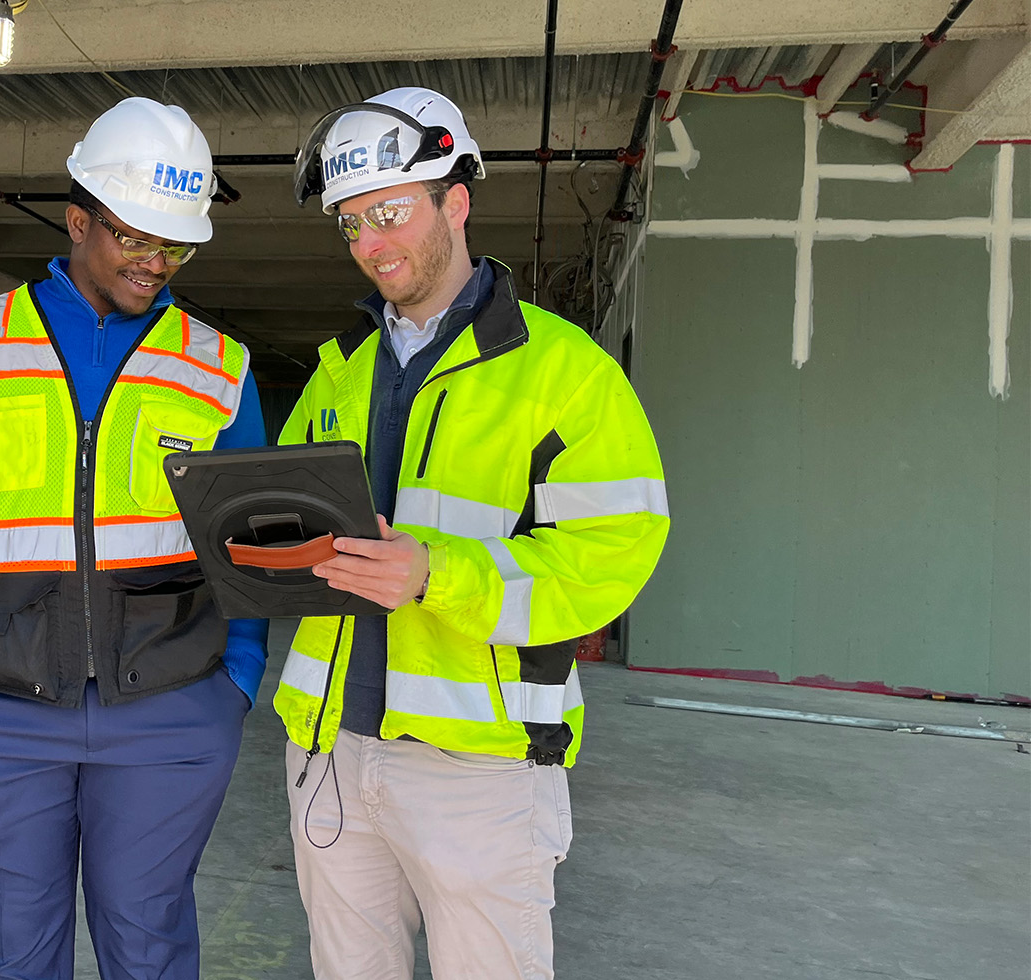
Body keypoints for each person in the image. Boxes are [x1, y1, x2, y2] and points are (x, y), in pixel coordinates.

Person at [274, 87, 670, 980]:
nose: (370, 244)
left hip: (480, 769)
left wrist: (434, 575)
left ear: (456, 199)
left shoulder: (567, 373)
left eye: (389, 212)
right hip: (332, 750)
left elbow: (609, 559)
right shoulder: (340, 372)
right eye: (351, 224)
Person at [0, 97, 269, 980]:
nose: (157, 264)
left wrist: (236, 683)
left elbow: (242, 542)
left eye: (176, 246)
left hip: (174, 707)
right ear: (77, 221)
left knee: (150, 950)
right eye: (137, 240)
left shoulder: (219, 367)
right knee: (4, 956)